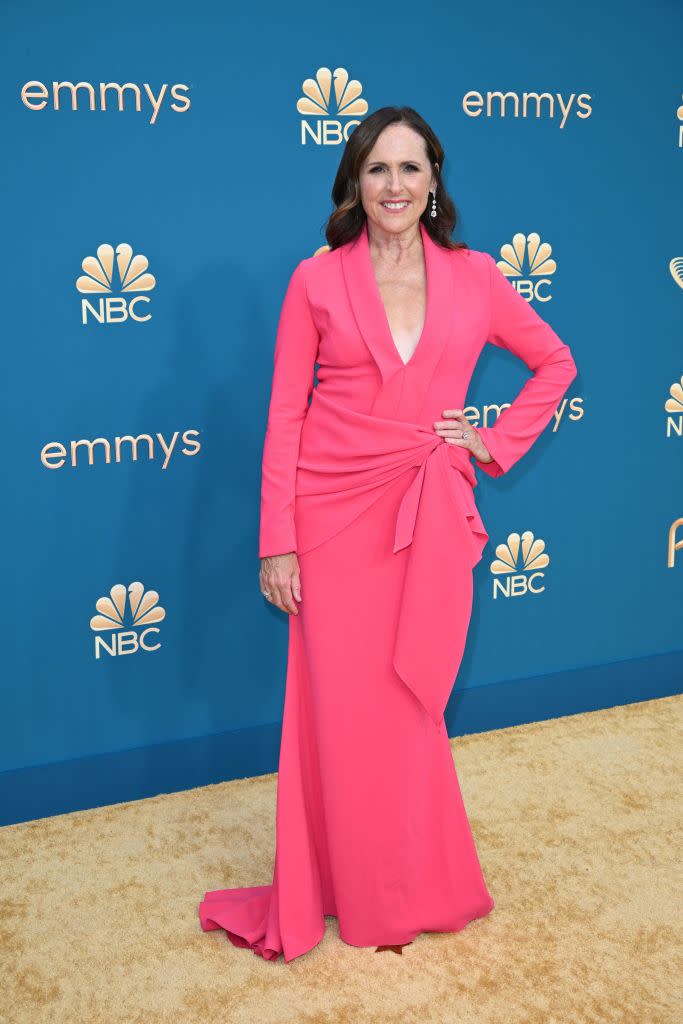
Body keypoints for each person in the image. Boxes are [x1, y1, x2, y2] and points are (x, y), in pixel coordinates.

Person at [198, 105, 578, 962]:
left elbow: (555, 361)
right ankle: (336, 887)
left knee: (411, 703)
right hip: (330, 518)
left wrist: (493, 439)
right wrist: (277, 540)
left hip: (428, 512)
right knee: (336, 713)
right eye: (377, 170)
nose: (394, 186)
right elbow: (283, 417)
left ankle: (409, 883)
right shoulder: (316, 280)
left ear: (434, 180)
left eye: (409, 169)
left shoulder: (476, 276)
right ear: (354, 184)